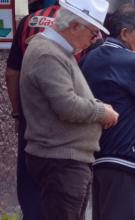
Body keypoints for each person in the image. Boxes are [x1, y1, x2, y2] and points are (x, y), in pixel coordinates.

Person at [19, 0, 119, 219]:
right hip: (60, 160)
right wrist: (101, 111)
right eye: (93, 34)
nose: (96, 40)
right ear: (75, 26)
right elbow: (67, 105)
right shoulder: (48, 53)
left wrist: (97, 107)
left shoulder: (57, 50)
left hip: (66, 160)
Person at [80, 4, 135, 219]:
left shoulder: (90, 57)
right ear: (125, 33)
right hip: (125, 156)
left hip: (97, 153)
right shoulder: (133, 61)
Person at [5, 3, 59, 220]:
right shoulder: (81, 23)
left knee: (30, 182)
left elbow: (11, 74)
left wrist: (17, 113)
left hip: (31, 116)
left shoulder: (28, 22)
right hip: (68, 119)